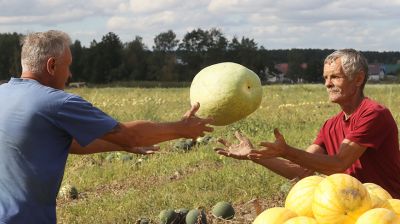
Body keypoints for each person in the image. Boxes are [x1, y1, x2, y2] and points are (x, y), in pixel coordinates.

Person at [0, 30, 214, 223]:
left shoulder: (3, 94)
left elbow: (70, 143)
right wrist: (181, 128)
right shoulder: (57, 103)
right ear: (52, 65)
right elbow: (131, 135)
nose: (70, 75)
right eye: (68, 66)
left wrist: (119, 145)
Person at [215, 48, 400, 199]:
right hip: (351, 207)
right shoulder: (330, 125)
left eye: (335, 77)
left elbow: (339, 164)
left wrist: (286, 151)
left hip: (385, 207)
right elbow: (301, 172)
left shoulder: (373, 114)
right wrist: (254, 155)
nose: (327, 84)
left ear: (358, 79)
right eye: (325, 78)